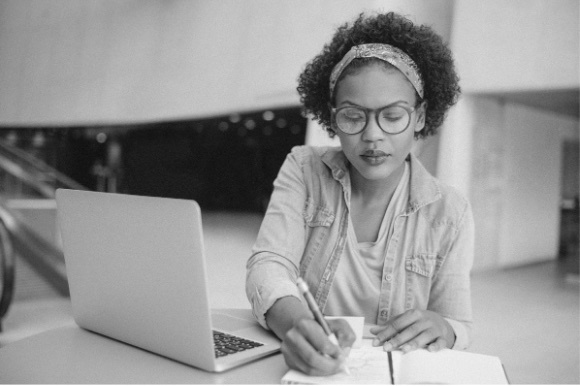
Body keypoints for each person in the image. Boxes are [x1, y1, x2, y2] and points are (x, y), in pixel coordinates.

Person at [246, 11, 473, 376]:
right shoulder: (305, 170)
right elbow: (268, 265)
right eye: (353, 117)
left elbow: (459, 324)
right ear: (332, 117)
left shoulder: (450, 211)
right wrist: (299, 326)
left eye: (393, 116)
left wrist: (445, 328)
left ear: (419, 117)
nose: (372, 136)